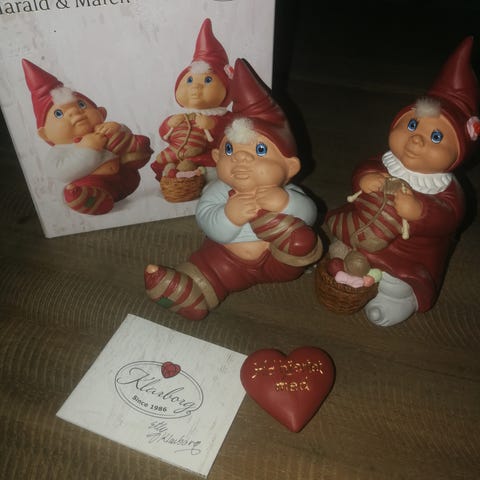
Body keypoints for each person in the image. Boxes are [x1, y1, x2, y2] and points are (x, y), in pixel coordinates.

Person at [144, 59, 323, 320]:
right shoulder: (218, 191)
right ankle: (195, 292)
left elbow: (309, 213)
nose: (240, 158)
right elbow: (205, 220)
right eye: (230, 149)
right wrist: (229, 216)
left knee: (301, 240)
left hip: (277, 259)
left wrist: (285, 203)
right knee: (209, 267)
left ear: (290, 166)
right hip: (228, 260)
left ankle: (296, 254)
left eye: (259, 150)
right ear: (216, 157)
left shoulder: (287, 191)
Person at [325, 37, 479, 326]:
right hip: (365, 229)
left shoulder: (447, 189)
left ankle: (392, 296)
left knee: (397, 281)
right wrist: (365, 178)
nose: (416, 139)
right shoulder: (386, 162)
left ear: (459, 153)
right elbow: (363, 169)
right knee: (342, 244)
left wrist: (420, 211)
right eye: (412, 124)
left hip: (408, 252)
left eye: (436, 137)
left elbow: (449, 216)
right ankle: (350, 273)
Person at [22, 59, 152, 215]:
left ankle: (143, 151)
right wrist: (87, 149)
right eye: (59, 113)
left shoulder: (102, 129)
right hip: (96, 185)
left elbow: (125, 139)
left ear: (101, 113)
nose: (75, 113)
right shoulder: (59, 152)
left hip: (126, 177)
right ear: (45, 134)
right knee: (79, 190)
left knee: (131, 142)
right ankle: (90, 200)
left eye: (81, 105)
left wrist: (117, 128)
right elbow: (60, 172)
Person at [150, 18, 233, 185]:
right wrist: (169, 124)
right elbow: (167, 136)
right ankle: (177, 177)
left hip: (209, 157)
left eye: (207, 80)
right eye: (189, 80)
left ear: (226, 89)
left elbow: (232, 136)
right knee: (170, 163)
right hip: (180, 154)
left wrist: (212, 125)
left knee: (211, 169)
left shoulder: (225, 117)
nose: (195, 87)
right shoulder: (184, 116)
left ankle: (193, 178)